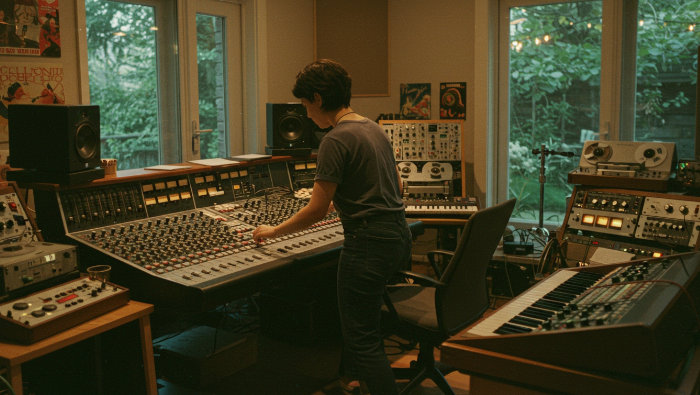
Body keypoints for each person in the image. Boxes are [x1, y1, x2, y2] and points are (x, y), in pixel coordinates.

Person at [252, 59, 412, 394]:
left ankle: (366, 380)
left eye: (305, 104)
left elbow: (316, 210)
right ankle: (353, 381)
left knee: (364, 340)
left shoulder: (335, 140)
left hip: (367, 244)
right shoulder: (373, 128)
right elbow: (397, 187)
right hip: (397, 236)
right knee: (364, 324)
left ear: (318, 99)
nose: (305, 112)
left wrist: (272, 232)